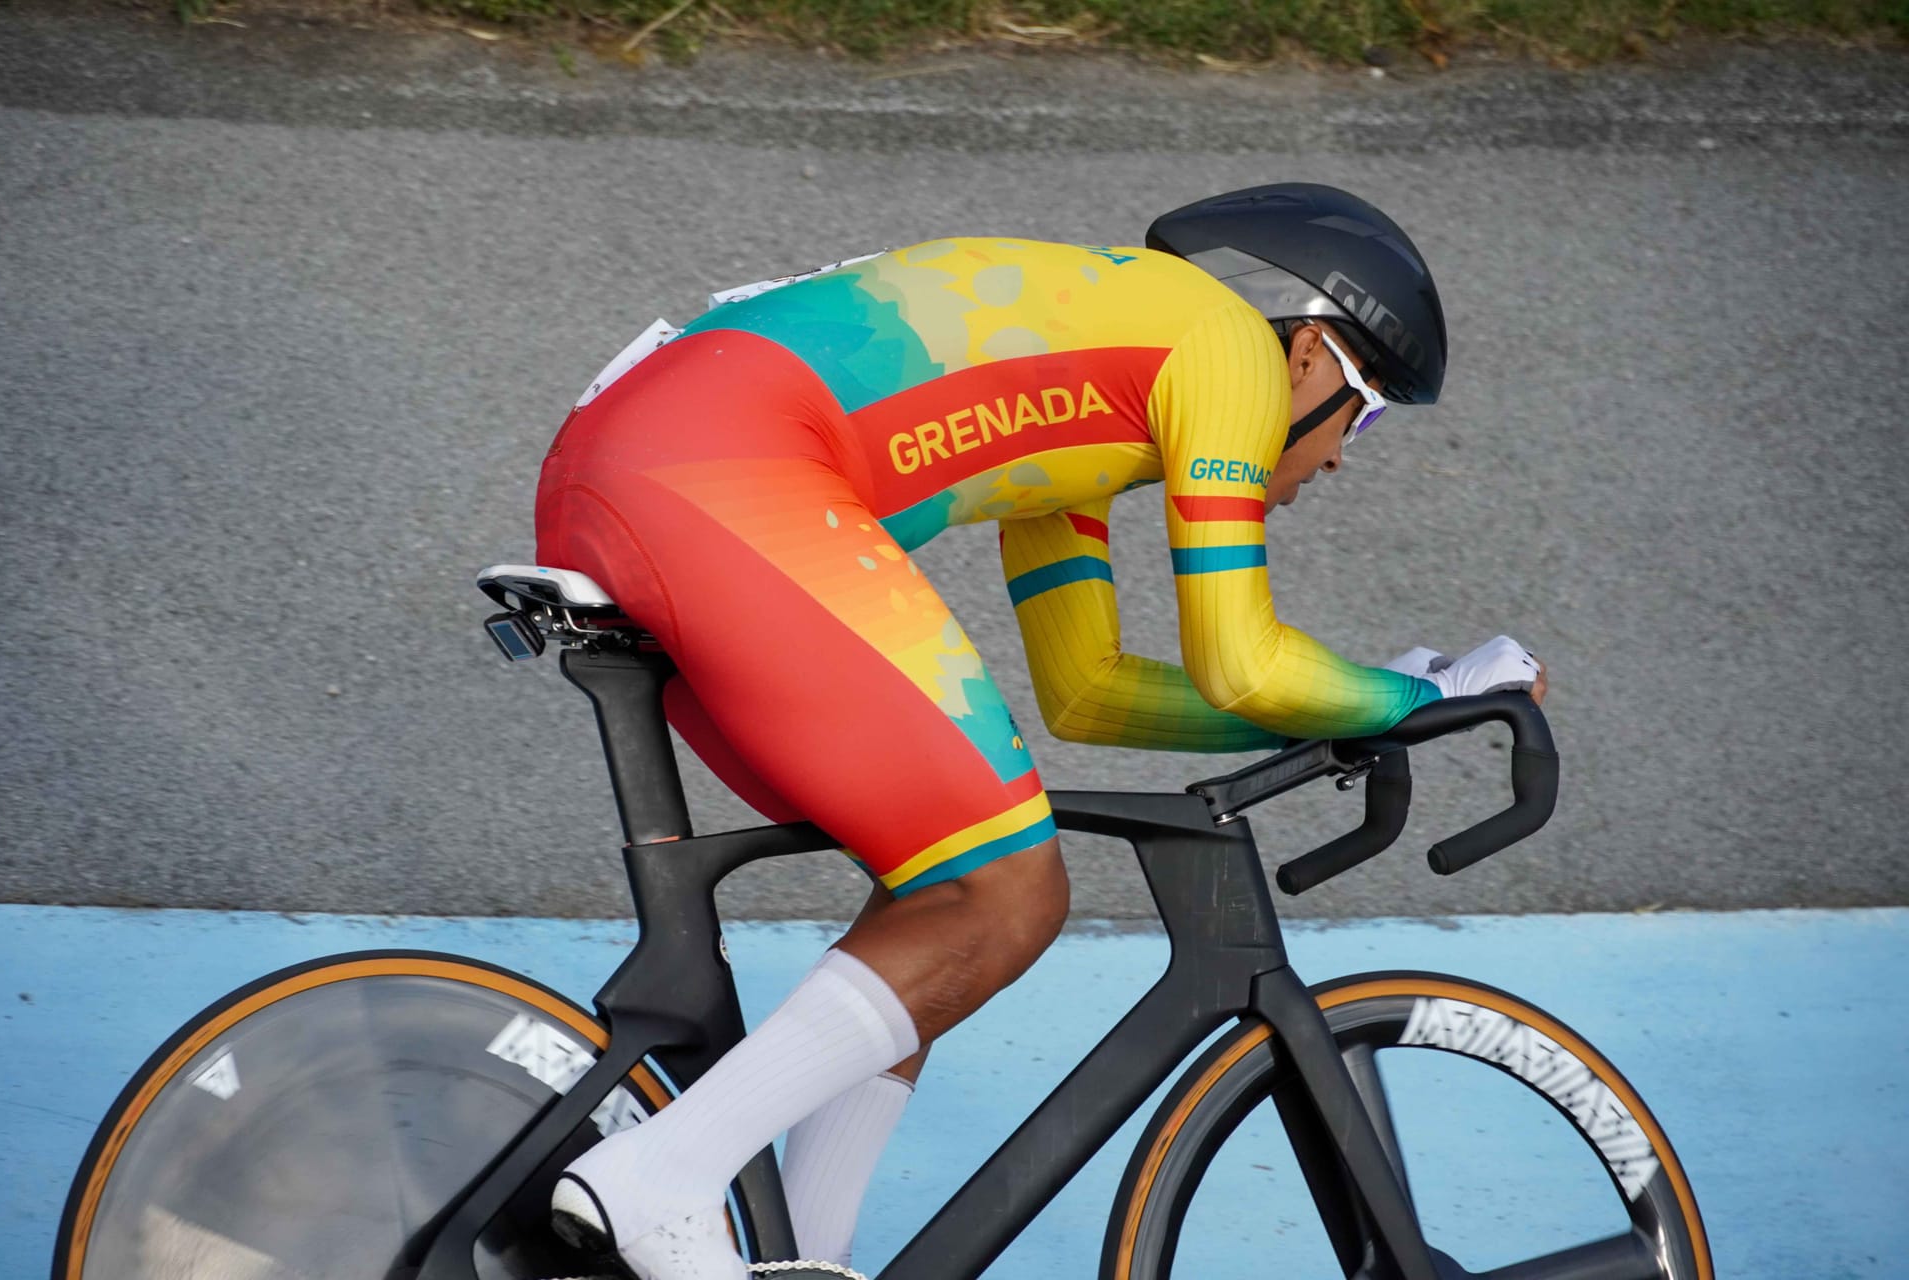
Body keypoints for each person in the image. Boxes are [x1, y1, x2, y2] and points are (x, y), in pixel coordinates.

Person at [537, 183, 1545, 1279]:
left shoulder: (1091, 410)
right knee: (1012, 889)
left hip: (632, 465)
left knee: (940, 882)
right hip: (721, 473)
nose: (1346, 452)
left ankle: (808, 1253)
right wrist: (1413, 697)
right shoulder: (1223, 349)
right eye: (1370, 406)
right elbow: (1241, 659)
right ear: (1308, 352)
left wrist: (1349, 717)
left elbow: (1089, 689)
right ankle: (662, 1171)